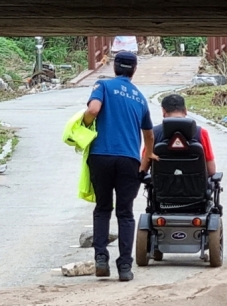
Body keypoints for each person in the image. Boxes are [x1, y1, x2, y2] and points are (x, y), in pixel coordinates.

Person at [82, 51, 158, 281]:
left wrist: (83, 123)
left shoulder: (102, 86)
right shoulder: (140, 98)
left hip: (101, 156)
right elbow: (149, 137)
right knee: (125, 214)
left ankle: (101, 259)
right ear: (134, 70)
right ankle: (125, 267)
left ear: (114, 67)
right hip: (129, 160)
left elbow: (93, 110)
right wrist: (144, 165)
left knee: (103, 208)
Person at [139, 94, 216, 177]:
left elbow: (143, 169)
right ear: (185, 110)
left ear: (164, 111)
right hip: (194, 188)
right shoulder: (201, 133)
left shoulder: (153, 133)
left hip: (162, 188)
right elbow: (211, 170)